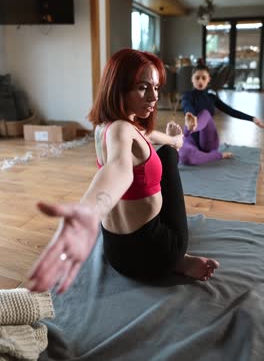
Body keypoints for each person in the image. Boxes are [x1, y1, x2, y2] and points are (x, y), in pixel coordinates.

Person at [26, 49, 219, 294]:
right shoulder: (121, 130)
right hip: (159, 254)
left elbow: (145, 134)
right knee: (168, 156)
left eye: (156, 88)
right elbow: (119, 169)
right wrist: (87, 213)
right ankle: (182, 260)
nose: (153, 97)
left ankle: (171, 146)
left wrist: (173, 139)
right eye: (142, 87)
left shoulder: (104, 127)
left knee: (167, 148)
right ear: (118, 87)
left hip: (117, 254)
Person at [179, 59, 264, 166]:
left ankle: (194, 131)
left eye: (203, 78)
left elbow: (231, 111)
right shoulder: (187, 96)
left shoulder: (212, 97)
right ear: (192, 79)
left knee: (205, 114)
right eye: (197, 78)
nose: (200, 81)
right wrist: (189, 115)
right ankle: (216, 155)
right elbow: (187, 105)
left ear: (208, 79)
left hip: (208, 141)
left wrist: (253, 118)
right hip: (191, 137)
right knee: (185, 158)